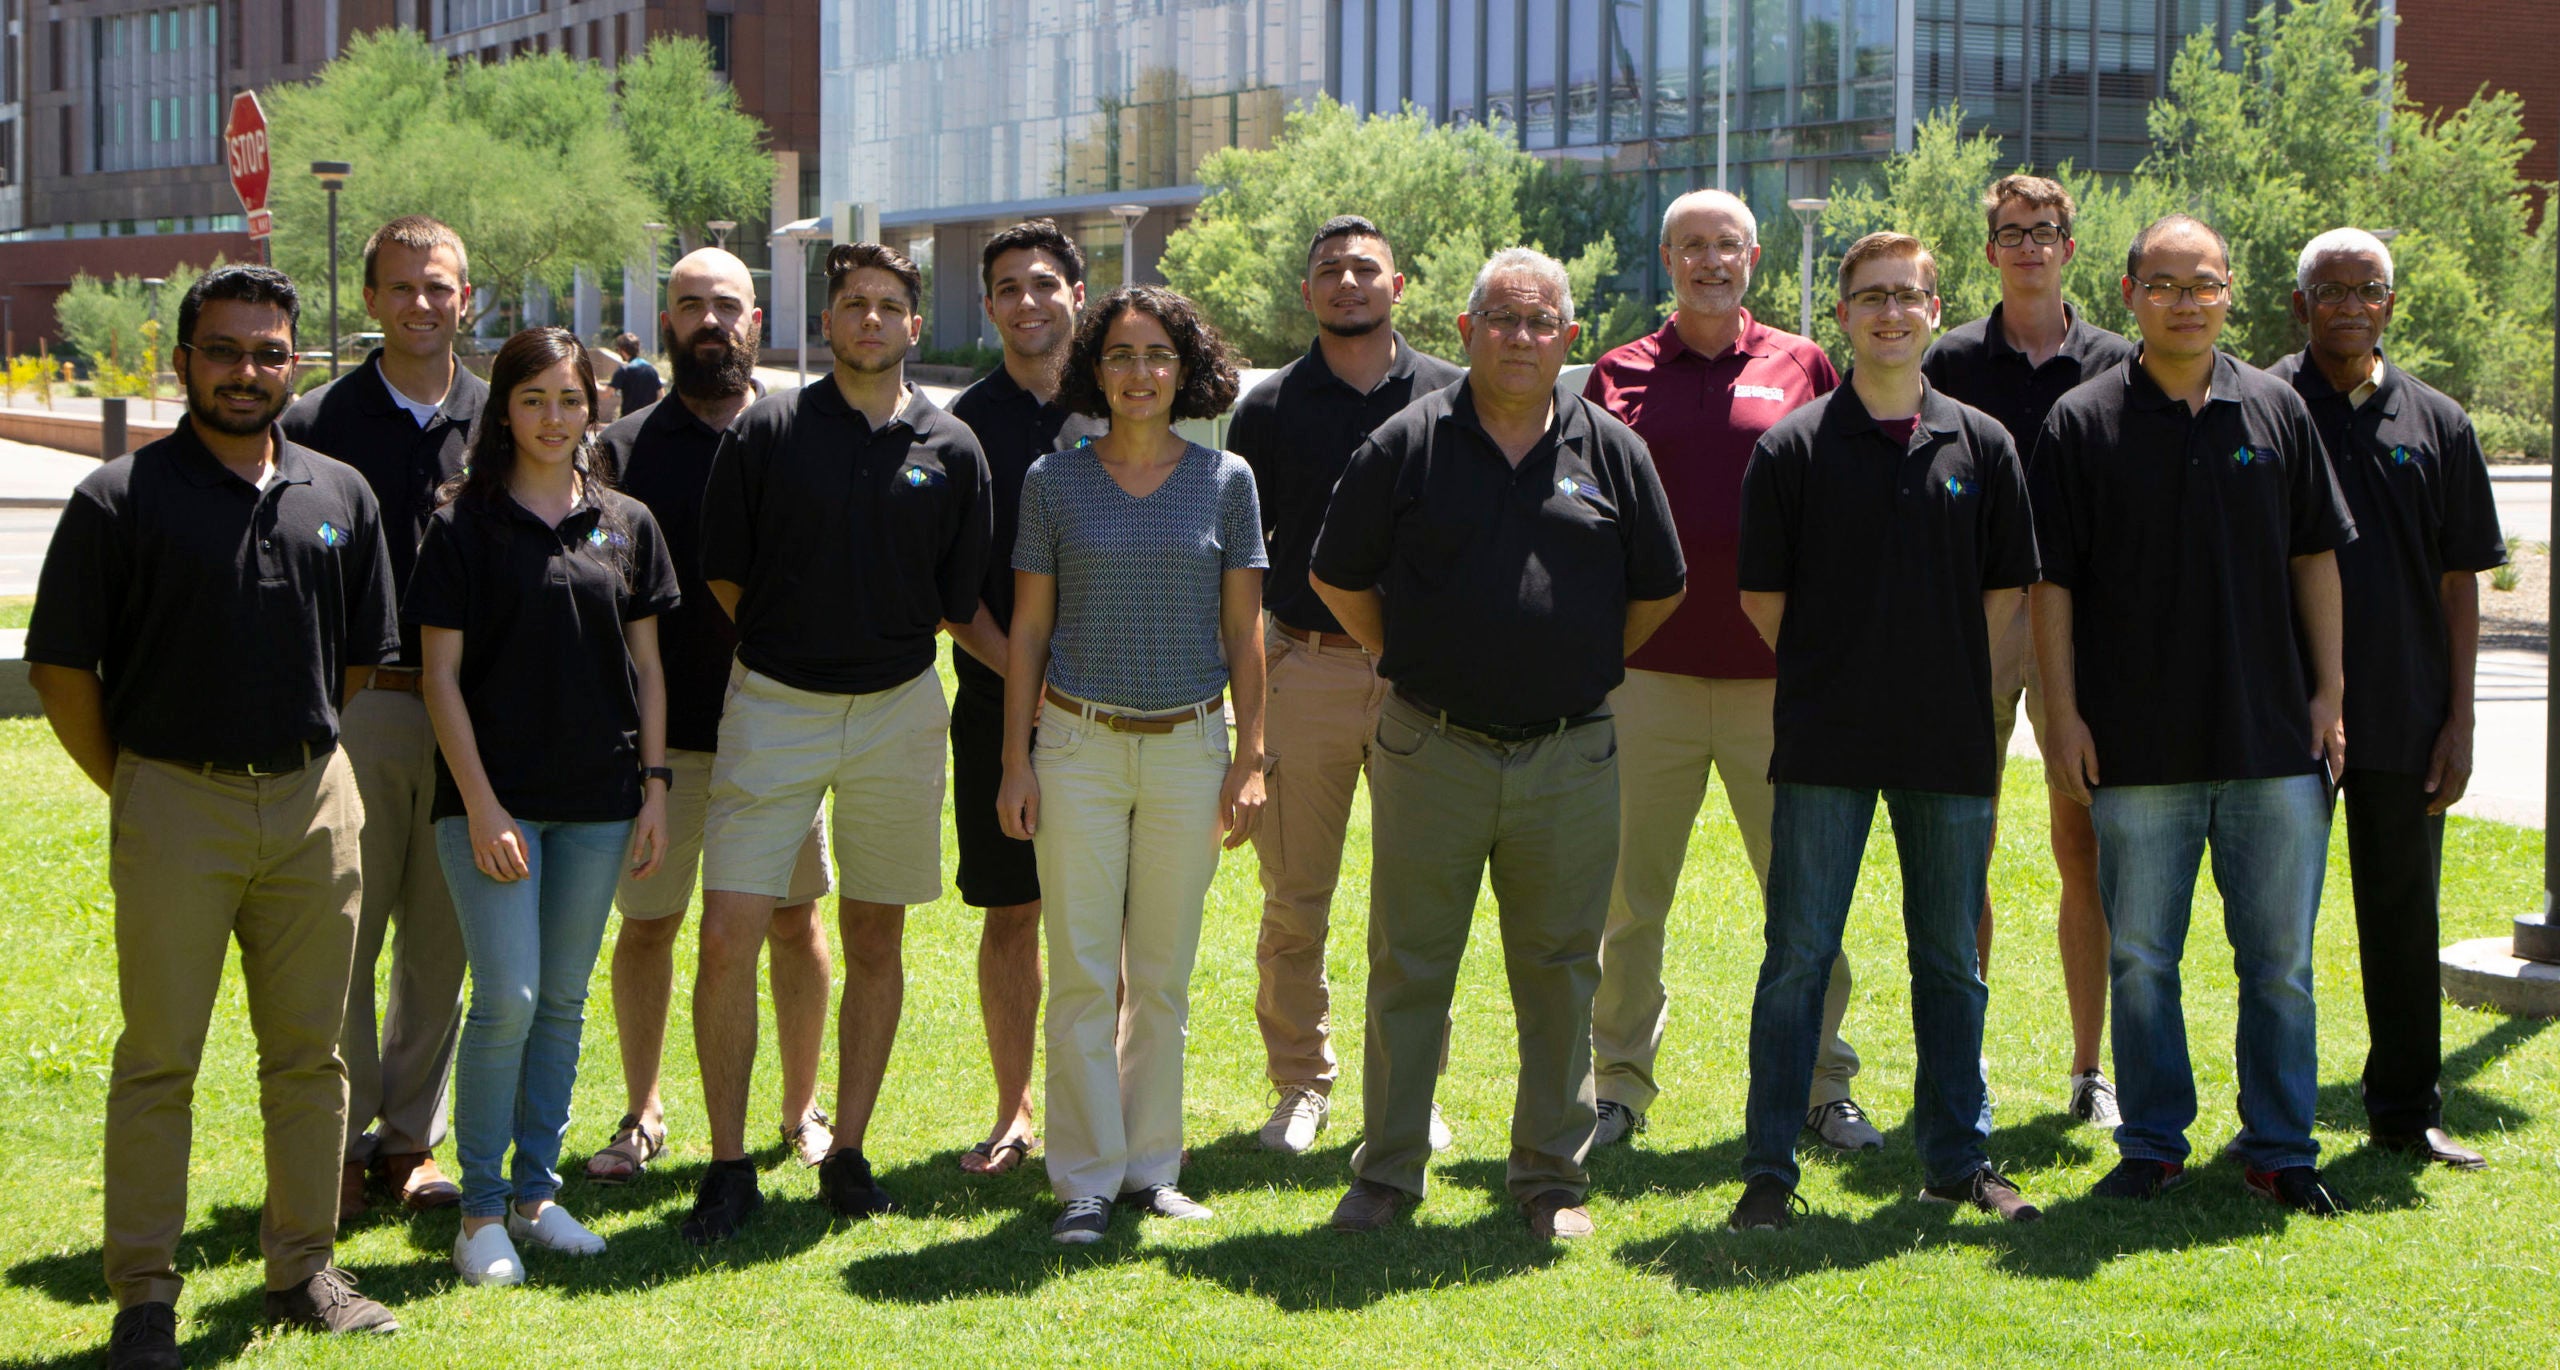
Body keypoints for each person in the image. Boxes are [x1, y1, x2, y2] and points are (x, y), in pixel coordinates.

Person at [29, 264, 402, 1367]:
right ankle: (146, 1293)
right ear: (185, 360)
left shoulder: (342, 495)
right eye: (226, 350)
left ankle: (301, 1268)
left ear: (296, 360)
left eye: (269, 351)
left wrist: (302, 767)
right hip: (172, 799)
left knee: (312, 1055)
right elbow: (62, 670)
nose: (248, 370)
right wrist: (138, 785)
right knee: (160, 1059)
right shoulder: (120, 498)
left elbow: (357, 658)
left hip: (311, 800)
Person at [1315, 248, 1686, 1241]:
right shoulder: (1407, 442)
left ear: (1569, 339)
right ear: (1470, 328)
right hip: (1430, 745)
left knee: (1563, 966)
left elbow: (1658, 590)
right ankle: (1387, 1172)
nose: (1521, 337)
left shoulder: (1611, 450)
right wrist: (1409, 653)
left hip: (1570, 753)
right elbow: (1337, 575)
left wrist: (1573, 661)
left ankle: (1548, 1177)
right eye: (1503, 319)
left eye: (1541, 323)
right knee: (1409, 963)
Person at [2031, 214, 2356, 1216]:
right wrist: (2062, 718)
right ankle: (2154, 1142)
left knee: (2281, 966)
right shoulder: (2081, 422)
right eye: (2164, 282)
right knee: (2140, 958)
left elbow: (2314, 554)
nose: (2184, 298)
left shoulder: (2277, 410)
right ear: (2128, 293)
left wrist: (2330, 691)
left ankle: (2278, 1146)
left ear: (2229, 292)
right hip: (2138, 745)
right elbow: (2054, 589)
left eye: (2203, 281)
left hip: (2272, 743)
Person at [1727, 233, 2044, 1232]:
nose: (1890, 313)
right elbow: (1761, 596)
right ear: (1844, 313)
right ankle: (1769, 1169)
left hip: (1945, 743)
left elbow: (2004, 593)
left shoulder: (1982, 444)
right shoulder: (1793, 446)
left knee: (1949, 955)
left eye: (1907, 295)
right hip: (1823, 740)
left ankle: (1956, 1158)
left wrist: (1931, 675)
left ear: (1935, 306)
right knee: (1797, 956)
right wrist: (1846, 675)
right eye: (1870, 297)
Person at [685, 243, 992, 1241]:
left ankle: (848, 1149)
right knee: (729, 930)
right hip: (773, 703)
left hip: (900, 707)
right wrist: (793, 648)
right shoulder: (768, 430)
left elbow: (958, 602)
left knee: (875, 932)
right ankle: (728, 1165)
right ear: (828, 321)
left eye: (890, 305)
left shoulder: (953, 447)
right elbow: (725, 573)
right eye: (853, 303)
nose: (871, 318)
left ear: (913, 322)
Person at [1582, 190, 1871, 1153]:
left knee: (1802, 894)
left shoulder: (1804, 365)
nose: (1711, 261)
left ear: (1754, 258)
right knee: (1629, 902)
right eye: (1693, 246)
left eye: (1728, 246)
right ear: (1666, 257)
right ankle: (1616, 1088)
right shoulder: (1616, 374)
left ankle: (1824, 1086)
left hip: (1775, 685)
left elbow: (1840, 504)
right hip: (1646, 679)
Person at [997, 285, 1267, 1245]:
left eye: (1157, 355)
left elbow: (1244, 633)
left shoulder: (1227, 479)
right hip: (1075, 746)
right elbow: (1028, 629)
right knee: (1078, 973)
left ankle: (1153, 1170)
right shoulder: (1052, 481)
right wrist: (1015, 762)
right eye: (1119, 355)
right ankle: (1082, 1181)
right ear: (1094, 369)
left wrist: (1250, 758)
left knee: (1160, 975)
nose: (1139, 373)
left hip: (1192, 749)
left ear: (1185, 369)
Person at [410, 326, 678, 1284]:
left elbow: (648, 667)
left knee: (561, 1001)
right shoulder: (461, 524)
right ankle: (479, 1212)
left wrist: (654, 790)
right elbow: (440, 679)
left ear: (591, 408)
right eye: (533, 400)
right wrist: (481, 806)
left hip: (602, 800)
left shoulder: (627, 522)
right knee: (510, 996)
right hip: (494, 804)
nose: (553, 418)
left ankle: (535, 1195)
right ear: (504, 410)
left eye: (570, 400)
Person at [590, 249, 838, 1185]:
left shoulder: (799, 432)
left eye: (724, 306)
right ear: (666, 327)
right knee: (649, 924)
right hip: (659, 740)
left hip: (781, 727)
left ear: (756, 324)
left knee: (793, 920)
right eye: (689, 305)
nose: (707, 321)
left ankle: (799, 1107)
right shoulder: (620, 448)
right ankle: (643, 1113)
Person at [1226, 214, 1464, 1154]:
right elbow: (1244, 562)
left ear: (1398, 285)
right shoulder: (1271, 408)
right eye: (1330, 270)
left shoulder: (1454, 392)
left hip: (1421, 677)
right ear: (1308, 292)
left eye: (1367, 268)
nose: (1349, 282)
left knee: (1421, 903)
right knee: (1295, 899)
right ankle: (1301, 1087)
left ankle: (1411, 1093)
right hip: (1308, 671)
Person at [2272, 228, 2505, 1171]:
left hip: (2406, 714)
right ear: (2299, 306)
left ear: (2391, 306)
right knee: (2275, 926)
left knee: (2405, 920)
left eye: (2368, 289)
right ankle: (2275, 1115)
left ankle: (2406, 1113)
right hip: (2283, 711)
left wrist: (2462, 717)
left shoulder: (2440, 423)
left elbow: (2460, 583)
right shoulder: (2263, 405)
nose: (2350, 305)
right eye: (2330, 291)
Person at [1920, 175, 2137, 1128]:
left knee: (2083, 841)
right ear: (1992, 250)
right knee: (1965, 847)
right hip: (1978, 614)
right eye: (2011, 232)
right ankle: (1962, 1072)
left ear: (2071, 249)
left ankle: (2093, 1071)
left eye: (2046, 231)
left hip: (2089, 620)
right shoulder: (1948, 360)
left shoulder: (2122, 362)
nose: (2030, 246)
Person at [282, 215, 486, 1219]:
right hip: (360, 707)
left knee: (440, 935)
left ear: (466, 298)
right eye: (401, 287)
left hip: (474, 718)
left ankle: (410, 1140)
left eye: (438, 286)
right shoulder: (316, 422)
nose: (420, 303)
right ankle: (339, 1134)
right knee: (344, 931)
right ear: (369, 299)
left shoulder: (504, 415)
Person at [944, 219, 1105, 1176]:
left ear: (1076, 294)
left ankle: (1112, 1109)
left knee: (1117, 922)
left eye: (1045, 282)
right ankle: (1015, 1110)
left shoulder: (1129, 396)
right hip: (999, 709)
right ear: (990, 304)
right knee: (1015, 913)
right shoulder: (960, 427)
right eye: (1008, 287)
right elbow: (953, 596)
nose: (1028, 301)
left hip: (1125, 713)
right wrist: (1036, 690)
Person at [608, 331, 663, 414]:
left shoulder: (624, 370)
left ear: (622, 350)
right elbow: (661, 395)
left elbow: (607, 393)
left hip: (629, 419)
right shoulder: (651, 369)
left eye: (617, 350)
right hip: (648, 419)